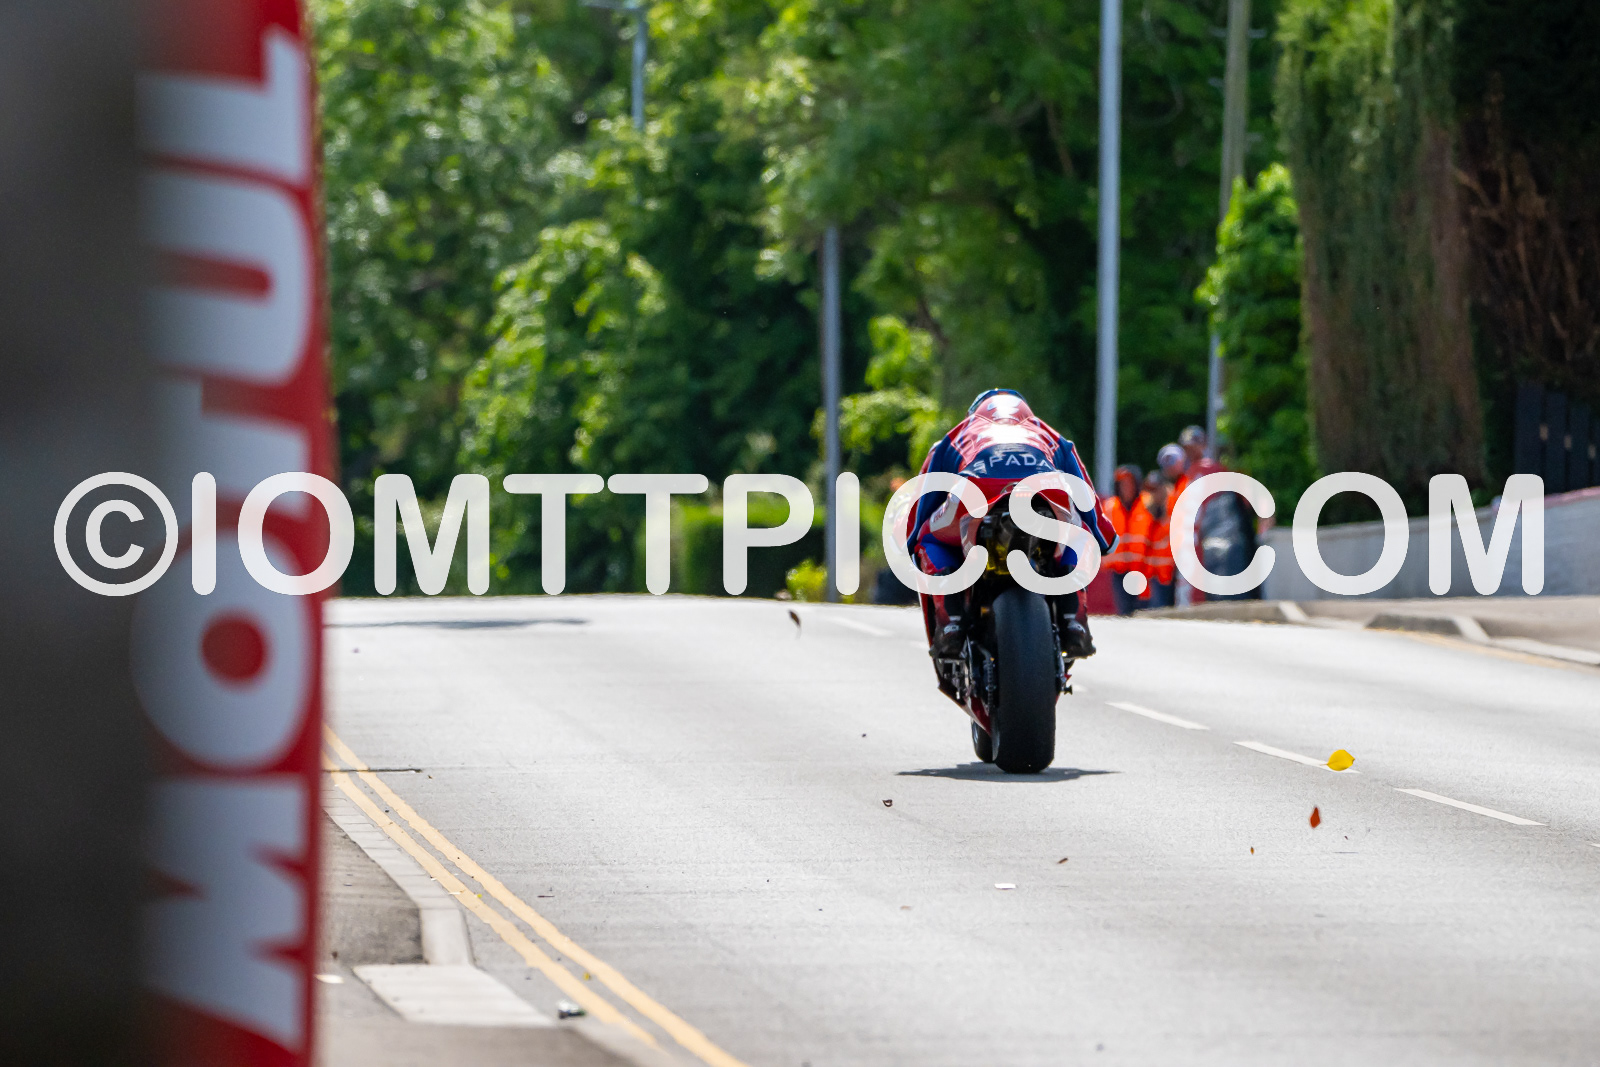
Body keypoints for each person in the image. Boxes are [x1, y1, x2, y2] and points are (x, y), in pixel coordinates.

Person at [907, 389, 1117, 658]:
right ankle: (1073, 619)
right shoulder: (1050, 435)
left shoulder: (957, 435)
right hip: (1044, 487)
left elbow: (924, 498)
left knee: (929, 537)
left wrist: (910, 542)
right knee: (1080, 534)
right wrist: (1104, 539)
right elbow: (1085, 495)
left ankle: (951, 622)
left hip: (977, 489)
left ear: (974, 413)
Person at [1103, 464, 1152, 616]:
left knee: (1144, 612)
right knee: (1124, 613)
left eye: (1129, 483)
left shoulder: (1147, 504)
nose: (1126, 488)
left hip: (1143, 569)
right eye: (1122, 484)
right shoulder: (1110, 507)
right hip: (1119, 570)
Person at [1141, 469, 1177, 608]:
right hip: (1155, 575)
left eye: (1156, 489)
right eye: (1151, 490)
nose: (1153, 493)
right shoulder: (1149, 510)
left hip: (1173, 573)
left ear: (1164, 488)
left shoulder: (1173, 506)